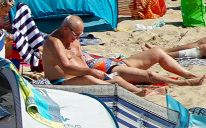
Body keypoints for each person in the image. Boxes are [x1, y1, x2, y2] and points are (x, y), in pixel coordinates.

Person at [41, 15, 203, 92]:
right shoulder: (54, 42)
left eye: (79, 35)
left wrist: (96, 71)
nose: (77, 38)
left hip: (93, 70)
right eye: (76, 35)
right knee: (105, 80)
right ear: (66, 29)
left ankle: (185, 80)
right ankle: (139, 93)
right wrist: (92, 71)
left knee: (117, 78)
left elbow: (82, 60)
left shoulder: (74, 39)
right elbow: (66, 66)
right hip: (62, 81)